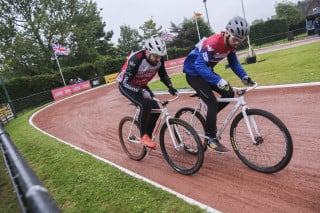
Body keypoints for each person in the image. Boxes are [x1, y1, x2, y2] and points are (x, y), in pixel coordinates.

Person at [183, 16, 255, 153]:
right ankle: (211, 139)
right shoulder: (213, 43)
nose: (237, 43)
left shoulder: (231, 45)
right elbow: (199, 66)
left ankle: (210, 118)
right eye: (235, 39)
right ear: (227, 33)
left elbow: (234, 63)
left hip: (206, 71)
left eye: (241, 41)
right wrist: (218, 81)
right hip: (194, 73)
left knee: (228, 92)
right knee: (212, 102)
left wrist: (244, 76)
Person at [117, 35, 178, 150]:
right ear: (147, 52)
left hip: (141, 85)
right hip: (126, 85)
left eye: (160, 56)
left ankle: (147, 137)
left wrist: (170, 86)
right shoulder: (136, 59)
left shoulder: (159, 59)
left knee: (155, 110)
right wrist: (141, 91)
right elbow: (125, 81)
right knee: (145, 103)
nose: (158, 59)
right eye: (155, 56)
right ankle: (143, 136)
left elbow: (163, 74)